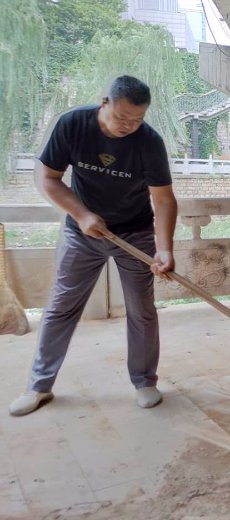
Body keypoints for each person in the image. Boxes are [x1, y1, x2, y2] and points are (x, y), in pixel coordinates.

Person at [9, 76, 177, 417]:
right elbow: (47, 178)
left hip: (135, 233)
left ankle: (144, 380)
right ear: (104, 103)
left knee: (142, 310)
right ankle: (39, 385)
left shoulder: (148, 143)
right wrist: (82, 215)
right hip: (82, 233)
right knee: (60, 307)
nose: (128, 126)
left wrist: (164, 249)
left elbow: (163, 201)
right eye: (121, 118)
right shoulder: (73, 125)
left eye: (137, 120)